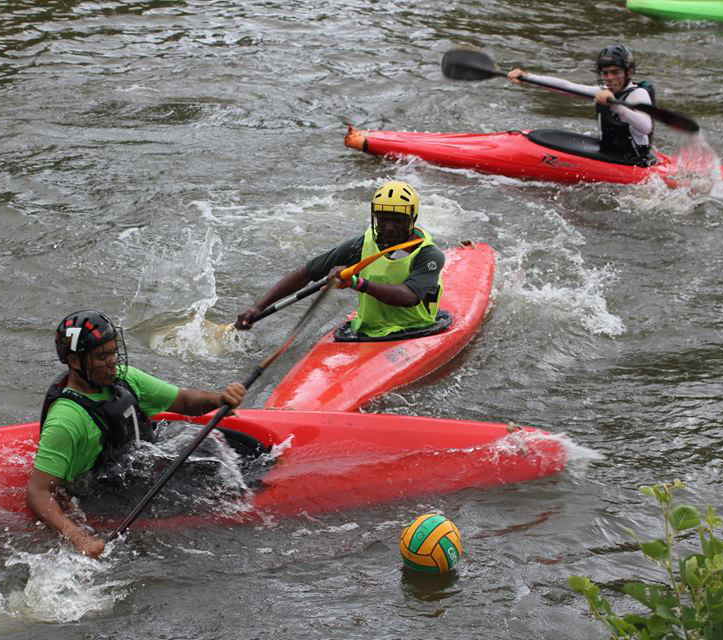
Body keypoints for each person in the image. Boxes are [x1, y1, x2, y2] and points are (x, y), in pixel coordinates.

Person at [28, 309, 247, 558]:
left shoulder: (125, 379)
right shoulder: (66, 421)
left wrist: (219, 398)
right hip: (101, 492)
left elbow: (185, 401)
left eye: (112, 352)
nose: (112, 361)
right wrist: (80, 538)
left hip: (134, 464)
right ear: (76, 362)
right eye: (102, 356)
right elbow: (38, 492)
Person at [235, 181, 446, 339]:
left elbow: (408, 297)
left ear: (413, 218)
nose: (389, 227)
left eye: (398, 220)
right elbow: (306, 274)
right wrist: (258, 307)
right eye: (383, 219)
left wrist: (357, 283)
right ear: (375, 216)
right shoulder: (361, 245)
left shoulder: (429, 255)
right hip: (368, 331)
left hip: (415, 329)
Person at [508, 44, 656, 166]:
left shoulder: (638, 94)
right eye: (605, 73)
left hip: (635, 162)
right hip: (610, 153)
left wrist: (617, 106)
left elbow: (646, 127)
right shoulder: (603, 92)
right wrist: (527, 78)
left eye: (615, 72)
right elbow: (567, 87)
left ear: (628, 72)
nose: (609, 78)